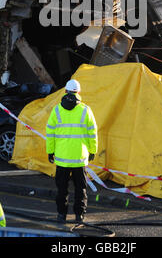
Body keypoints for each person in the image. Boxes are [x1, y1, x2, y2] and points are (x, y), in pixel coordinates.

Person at [46, 79, 97, 223]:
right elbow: (93, 133)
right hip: (79, 159)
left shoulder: (56, 110)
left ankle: (61, 215)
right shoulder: (86, 110)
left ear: (65, 91)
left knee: (62, 189)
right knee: (81, 189)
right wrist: (92, 150)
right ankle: (79, 216)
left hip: (62, 159)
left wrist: (50, 152)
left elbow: (50, 134)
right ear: (79, 92)